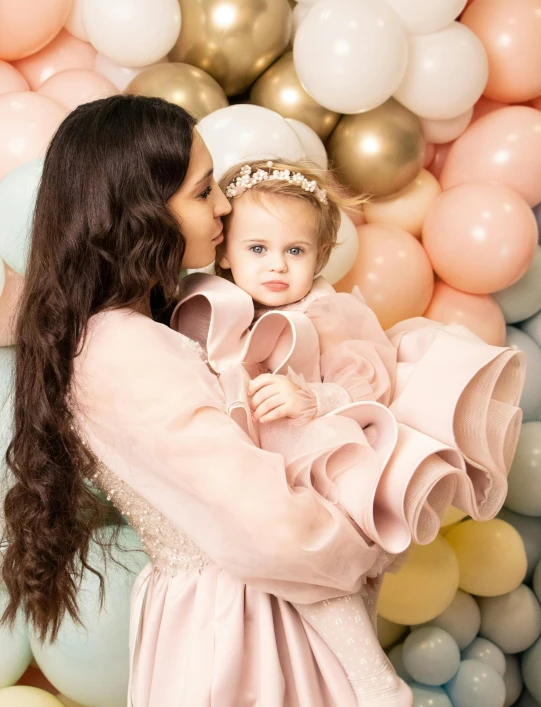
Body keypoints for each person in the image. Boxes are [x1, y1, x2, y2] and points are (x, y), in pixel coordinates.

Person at [1, 95, 410, 707]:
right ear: (138, 211)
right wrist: (366, 539)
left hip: (235, 608)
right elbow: (270, 525)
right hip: (239, 621)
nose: (224, 204)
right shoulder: (122, 349)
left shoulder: (134, 329)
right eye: (202, 190)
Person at [172, 159, 527, 704]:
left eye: (295, 251)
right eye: (257, 249)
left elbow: (371, 383)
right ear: (224, 252)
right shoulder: (216, 311)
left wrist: (311, 398)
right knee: (290, 621)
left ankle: (374, 682)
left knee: (341, 584)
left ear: (318, 256)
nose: (277, 266)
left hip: (332, 466)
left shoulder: (324, 311)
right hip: (260, 485)